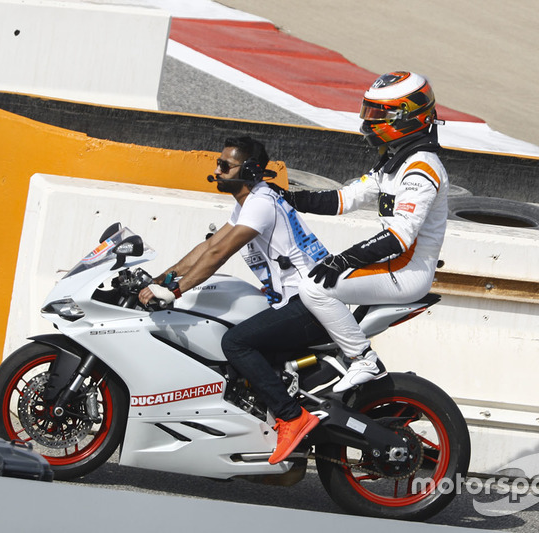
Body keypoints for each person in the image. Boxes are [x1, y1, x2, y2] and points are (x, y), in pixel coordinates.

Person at [138, 136, 330, 465]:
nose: (217, 170)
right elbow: (209, 245)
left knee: (236, 342)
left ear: (250, 169)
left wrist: (176, 291)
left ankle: (292, 417)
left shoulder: (261, 202)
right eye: (219, 163)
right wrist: (162, 279)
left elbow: (218, 254)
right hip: (294, 300)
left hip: (311, 300)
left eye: (225, 165)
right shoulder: (245, 203)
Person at [278, 71, 449, 393]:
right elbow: (345, 198)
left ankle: (363, 359)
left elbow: (400, 236)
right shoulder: (395, 163)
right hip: (395, 264)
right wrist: (289, 197)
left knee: (315, 287)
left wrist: (342, 260)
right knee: (313, 277)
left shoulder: (421, 168)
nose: (368, 122)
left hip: (407, 270)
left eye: (377, 115)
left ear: (405, 117)